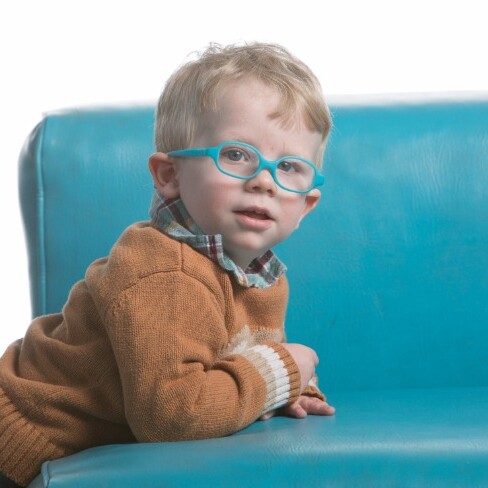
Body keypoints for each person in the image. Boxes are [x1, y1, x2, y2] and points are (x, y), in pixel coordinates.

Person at [0, 42, 335, 487]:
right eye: (236, 155)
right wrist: (284, 368)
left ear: (307, 205)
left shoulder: (262, 276)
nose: (263, 182)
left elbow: (236, 362)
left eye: (289, 166)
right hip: (21, 438)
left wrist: (288, 387)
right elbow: (173, 415)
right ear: (169, 175)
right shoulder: (163, 270)